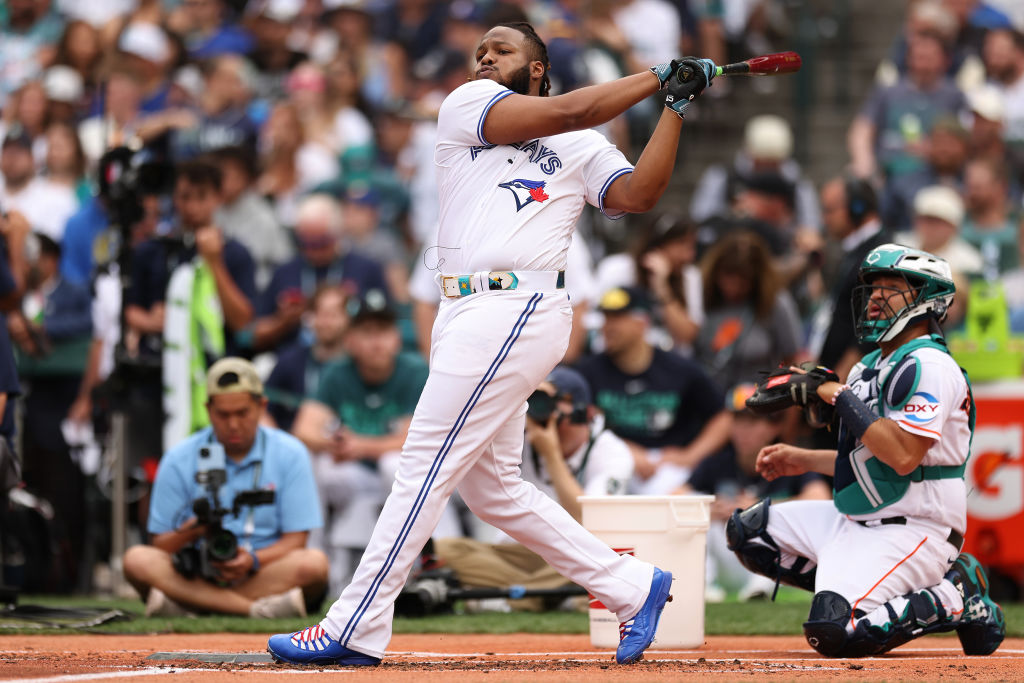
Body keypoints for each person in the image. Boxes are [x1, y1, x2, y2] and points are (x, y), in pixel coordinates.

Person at [268, 21, 716, 666]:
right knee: (494, 491)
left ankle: (354, 624)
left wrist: (672, 105)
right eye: (481, 48)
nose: (485, 56)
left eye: (502, 49)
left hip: (518, 303)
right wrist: (656, 78)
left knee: (422, 463)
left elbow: (639, 194)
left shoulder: (582, 145)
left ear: (536, 67)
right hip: (461, 306)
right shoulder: (468, 103)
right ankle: (632, 585)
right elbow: (570, 107)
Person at [727, 243, 1006, 658]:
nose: (875, 298)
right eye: (872, 289)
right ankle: (864, 589)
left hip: (915, 528)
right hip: (855, 518)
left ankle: (955, 593)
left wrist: (835, 394)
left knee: (836, 631)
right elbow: (867, 460)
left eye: (889, 289)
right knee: (750, 533)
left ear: (927, 299)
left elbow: (903, 455)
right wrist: (800, 459)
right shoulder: (869, 365)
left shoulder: (931, 365)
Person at [122, 357, 328, 618]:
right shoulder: (178, 458)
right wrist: (197, 527)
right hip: (197, 572)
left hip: (261, 570)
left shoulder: (290, 452)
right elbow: (160, 545)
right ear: (208, 410)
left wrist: (252, 560)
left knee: (314, 564)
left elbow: (297, 541)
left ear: (262, 407)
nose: (233, 425)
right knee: (137, 560)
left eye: (242, 413)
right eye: (223, 415)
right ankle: (254, 610)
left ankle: (191, 606)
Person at [434, 366, 635, 611]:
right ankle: (558, 597)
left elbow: (592, 520)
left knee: (604, 558)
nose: (540, 409)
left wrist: (551, 455)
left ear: (584, 412)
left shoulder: (610, 451)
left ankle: (512, 600)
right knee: (444, 550)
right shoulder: (520, 435)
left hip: (572, 550)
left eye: (551, 401)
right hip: (518, 554)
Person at [289, 297, 430, 594]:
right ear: (350, 339)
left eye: (383, 331)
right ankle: (314, 560)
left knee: (392, 463)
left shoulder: (415, 370)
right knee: (312, 460)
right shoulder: (338, 372)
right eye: (367, 332)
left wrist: (360, 445)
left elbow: (415, 439)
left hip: (405, 480)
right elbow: (304, 429)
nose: (376, 341)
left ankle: (419, 568)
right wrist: (333, 444)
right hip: (356, 476)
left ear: (396, 337)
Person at [678, 383, 830, 603]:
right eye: (738, 421)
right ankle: (703, 585)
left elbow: (821, 498)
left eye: (753, 421)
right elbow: (676, 496)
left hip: (771, 566)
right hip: (727, 559)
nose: (744, 430)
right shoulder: (716, 463)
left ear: (774, 427)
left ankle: (759, 591)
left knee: (766, 521)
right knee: (695, 508)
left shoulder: (787, 459)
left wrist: (760, 508)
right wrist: (709, 508)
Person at [577, 286, 732, 496]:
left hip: (667, 467)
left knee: (677, 497)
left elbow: (722, 417)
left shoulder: (678, 368)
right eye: (605, 318)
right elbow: (581, 423)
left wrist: (690, 455)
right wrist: (624, 449)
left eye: (617, 319)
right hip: (612, 457)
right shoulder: (588, 371)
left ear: (642, 323)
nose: (608, 327)